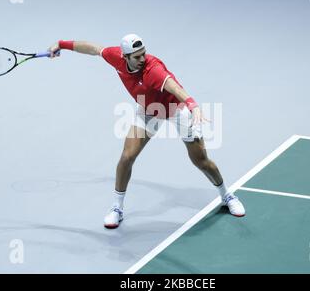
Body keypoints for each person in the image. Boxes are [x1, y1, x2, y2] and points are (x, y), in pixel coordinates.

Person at [48, 34, 245, 229]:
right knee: (127, 156)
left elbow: (175, 87)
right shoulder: (114, 56)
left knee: (200, 160)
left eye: (144, 54)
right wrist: (62, 44)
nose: (143, 59)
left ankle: (227, 195)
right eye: (137, 56)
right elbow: (93, 48)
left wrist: (193, 106)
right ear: (125, 57)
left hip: (177, 110)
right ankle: (117, 208)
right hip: (148, 111)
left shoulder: (153, 70)